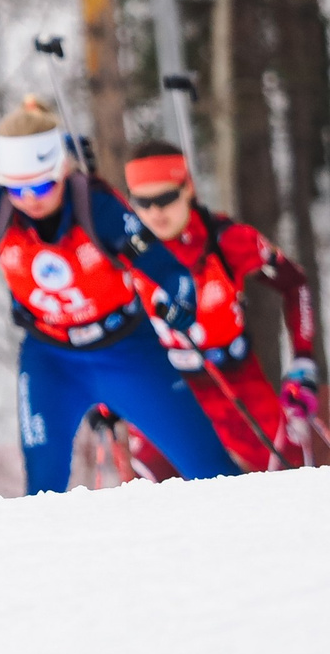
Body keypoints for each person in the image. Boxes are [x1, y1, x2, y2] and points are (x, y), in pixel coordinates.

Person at [0, 98, 234, 492]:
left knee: (213, 474)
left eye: (42, 184)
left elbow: (168, 270)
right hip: (50, 361)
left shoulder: (97, 206)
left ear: (61, 171)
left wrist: (181, 299)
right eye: (18, 188)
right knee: (43, 491)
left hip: (126, 353)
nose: (31, 199)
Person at [120, 141, 318, 471]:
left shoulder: (228, 240)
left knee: (289, 476)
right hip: (165, 386)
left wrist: (302, 360)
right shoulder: (123, 251)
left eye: (166, 198)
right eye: (143, 202)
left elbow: (295, 284)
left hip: (235, 381)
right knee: (150, 494)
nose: (155, 212)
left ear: (188, 189)